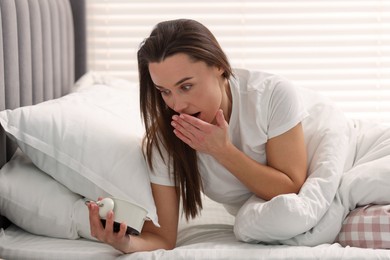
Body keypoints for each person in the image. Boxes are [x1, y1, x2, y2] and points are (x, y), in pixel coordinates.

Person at [88, 18, 390, 253]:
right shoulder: (167, 143)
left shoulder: (270, 95)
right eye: (165, 92)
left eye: (186, 86)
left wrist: (223, 151)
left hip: (356, 148)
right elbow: (164, 238)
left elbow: (291, 187)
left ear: (219, 67)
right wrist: (124, 243)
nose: (177, 104)